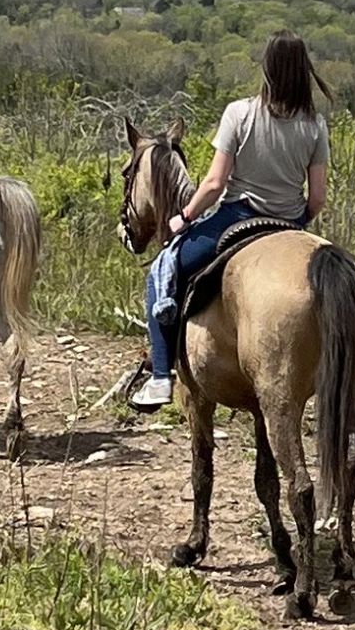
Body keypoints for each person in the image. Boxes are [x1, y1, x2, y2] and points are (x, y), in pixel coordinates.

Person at [131, 30, 332, 408]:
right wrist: (297, 219)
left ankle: (161, 375)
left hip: (237, 217)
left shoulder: (239, 113)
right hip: (289, 223)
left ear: (267, 69)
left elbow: (214, 183)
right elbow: (318, 197)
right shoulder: (315, 125)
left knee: (162, 270)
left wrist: (185, 216)